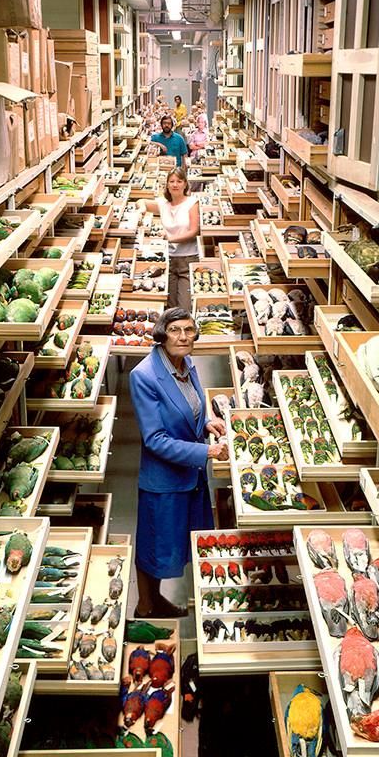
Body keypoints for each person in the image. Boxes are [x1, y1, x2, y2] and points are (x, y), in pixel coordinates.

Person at [129, 307, 228, 617]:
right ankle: (146, 606)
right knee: (155, 545)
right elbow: (155, 439)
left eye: (188, 330)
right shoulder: (144, 376)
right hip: (165, 479)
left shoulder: (188, 364)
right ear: (162, 334)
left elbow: (189, 407)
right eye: (175, 330)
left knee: (179, 539)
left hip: (190, 475)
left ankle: (153, 602)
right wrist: (207, 453)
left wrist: (206, 423)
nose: (183, 336)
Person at [136, 168, 199, 309]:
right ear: (167, 185)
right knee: (169, 306)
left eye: (179, 181)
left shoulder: (192, 203)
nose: (175, 185)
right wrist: (141, 210)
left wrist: (170, 238)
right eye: (172, 181)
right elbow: (141, 201)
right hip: (168, 260)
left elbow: (194, 231)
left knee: (185, 307)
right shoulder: (162, 203)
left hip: (188, 259)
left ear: (185, 184)